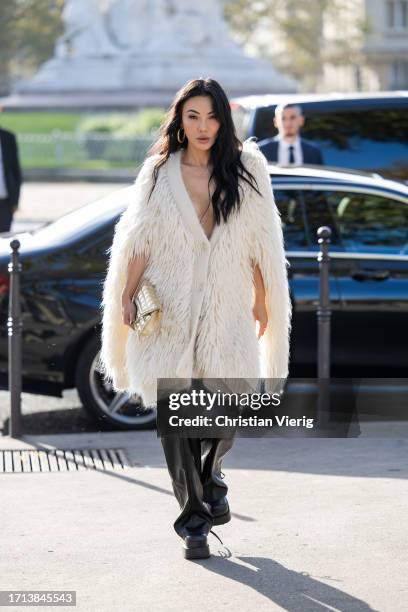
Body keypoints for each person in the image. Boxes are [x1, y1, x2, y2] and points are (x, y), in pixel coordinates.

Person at [100, 78, 292, 559]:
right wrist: (125, 293)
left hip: (226, 305)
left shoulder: (248, 169)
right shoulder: (159, 172)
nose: (203, 126)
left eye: (211, 116)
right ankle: (193, 523)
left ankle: (212, 480)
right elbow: (138, 239)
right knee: (174, 419)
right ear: (180, 122)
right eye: (193, 116)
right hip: (169, 309)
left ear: (223, 119)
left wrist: (264, 299)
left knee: (226, 407)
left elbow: (261, 240)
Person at [258, 102, 324, 166]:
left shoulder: (314, 152)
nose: (288, 123)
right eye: (283, 118)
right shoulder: (262, 151)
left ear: (301, 120)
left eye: (293, 118)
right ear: (275, 122)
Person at [0, 117, 23, 233]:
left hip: (4, 202)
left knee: (4, 239)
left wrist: (15, 201)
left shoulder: (8, 138)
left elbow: (15, 171)